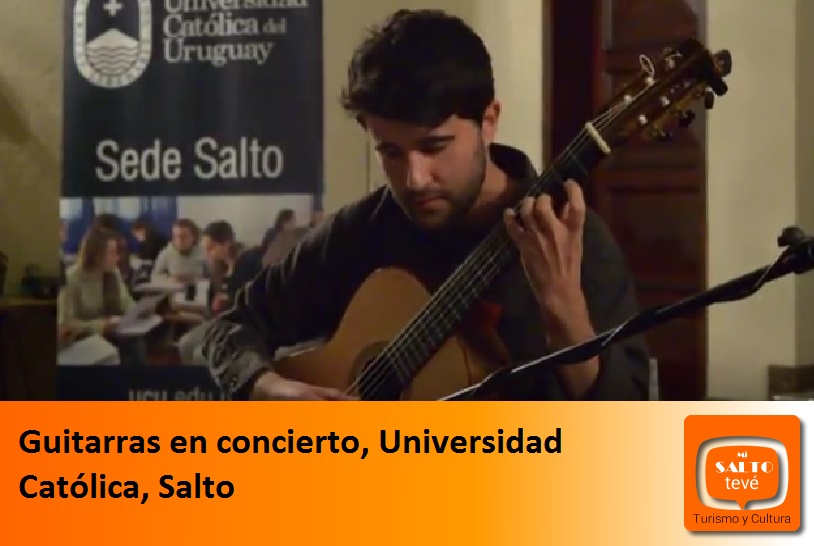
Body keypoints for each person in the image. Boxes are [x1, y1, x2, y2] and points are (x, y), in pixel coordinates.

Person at [202, 9, 650, 401]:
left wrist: (564, 310)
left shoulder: (573, 241)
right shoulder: (365, 230)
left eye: (434, 147)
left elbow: (626, 433)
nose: (414, 179)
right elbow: (230, 328)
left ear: (488, 121)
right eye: (390, 153)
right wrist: (268, 387)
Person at [176, 221, 263, 364]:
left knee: (200, 355)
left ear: (227, 243)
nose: (208, 254)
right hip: (220, 321)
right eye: (205, 249)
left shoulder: (248, 263)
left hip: (243, 325)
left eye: (211, 248)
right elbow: (213, 302)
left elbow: (252, 302)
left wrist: (228, 300)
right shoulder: (218, 267)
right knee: (185, 343)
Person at [58, 228, 147, 365]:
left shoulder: (112, 273)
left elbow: (126, 302)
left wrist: (139, 312)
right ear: (96, 255)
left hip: (112, 332)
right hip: (84, 338)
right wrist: (102, 325)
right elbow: (66, 325)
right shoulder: (72, 279)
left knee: (135, 343)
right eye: (112, 253)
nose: (118, 258)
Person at [151, 218, 208, 283]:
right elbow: (155, 276)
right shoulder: (166, 253)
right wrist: (171, 279)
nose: (179, 241)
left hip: (198, 289)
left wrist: (194, 279)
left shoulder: (204, 251)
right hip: (173, 289)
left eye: (184, 237)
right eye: (176, 236)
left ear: (194, 237)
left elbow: (212, 277)